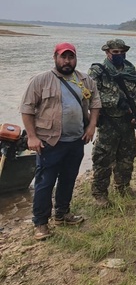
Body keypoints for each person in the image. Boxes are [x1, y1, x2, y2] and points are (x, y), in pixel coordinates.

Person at [20, 43, 101, 240]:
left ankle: (62, 214)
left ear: (75, 59)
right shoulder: (40, 80)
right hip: (49, 142)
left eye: (70, 57)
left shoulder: (84, 79)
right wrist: (31, 136)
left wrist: (91, 126)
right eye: (63, 57)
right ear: (55, 57)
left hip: (76, 141)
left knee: (68, 179)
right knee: (45, 183)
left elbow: (96, 102)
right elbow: (27, 109)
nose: (67, 61)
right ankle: (40, 223)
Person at [89, 39, 136, 207]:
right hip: (108, 122)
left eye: (122, 52)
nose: (119, 55)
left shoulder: (130, 70)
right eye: (115, 52)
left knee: (127, 156)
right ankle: (100, 193)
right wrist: (116, 101)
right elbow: (91, 94)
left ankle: (123, 186)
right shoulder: (98, 71)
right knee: (103, 159)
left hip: (127, 122)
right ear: (107, 53)